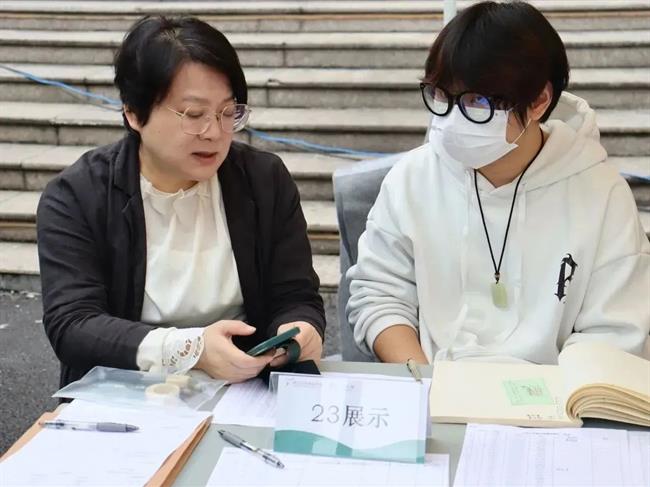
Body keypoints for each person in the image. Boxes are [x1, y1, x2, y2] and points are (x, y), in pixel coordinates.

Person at [347, 1, 649, 365]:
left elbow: (615, 330)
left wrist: (550, 395)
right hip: (435, 384)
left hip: (553, 392)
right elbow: (379, 295)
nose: (453, 118)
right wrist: (425, 383)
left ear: (538, 101)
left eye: (477, 101)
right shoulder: (411, 179)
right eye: (441, 95)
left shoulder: (601, 194)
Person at [37, 16, 325, 388]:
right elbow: (74, 324)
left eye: (227, 112)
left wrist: (300, 328)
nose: (214, 132)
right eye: (194, 114)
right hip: (127, 389)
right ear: (133, 113)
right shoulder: (78, 195)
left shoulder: (263, 180)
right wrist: (189, 349)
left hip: (244, 387)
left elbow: (296, 295)